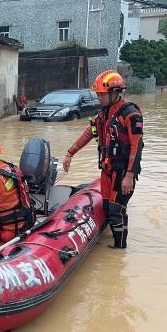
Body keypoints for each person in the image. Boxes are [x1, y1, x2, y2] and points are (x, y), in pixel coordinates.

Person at [63, 70, 143, 249]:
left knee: (116, 210)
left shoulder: (130, 114)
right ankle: (115, 243)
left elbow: (136, 146)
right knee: (107, 207)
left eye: (102, 94)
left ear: (115, 92)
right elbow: (88, 134)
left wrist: (129, 175)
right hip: (107, 170)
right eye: (97, 94)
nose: (99, 97)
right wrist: (70, 153)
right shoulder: (103, 115)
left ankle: (120, 249)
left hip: (123, 172)